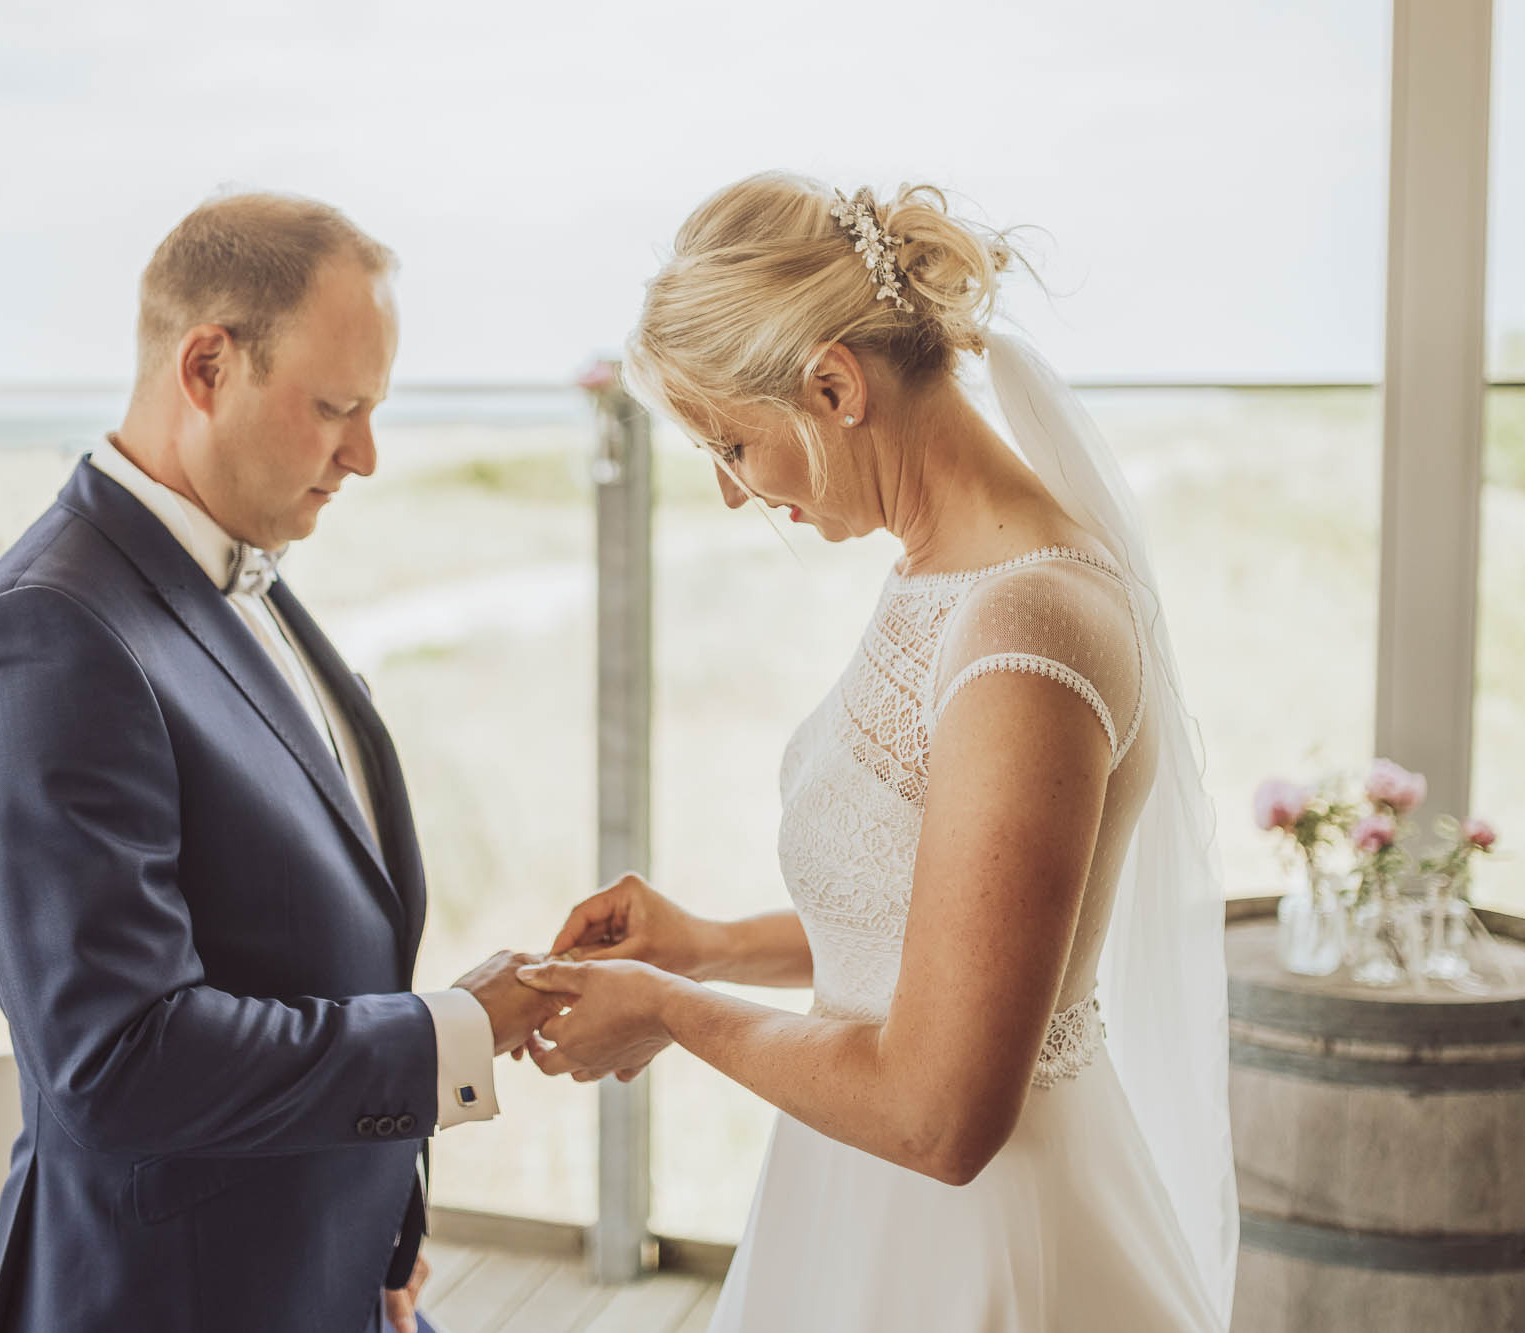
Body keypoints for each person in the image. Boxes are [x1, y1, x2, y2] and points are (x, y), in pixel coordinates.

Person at [516, 173, 1239, 1330]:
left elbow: (938, 1115)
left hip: (976, 1242)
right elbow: (942, 928)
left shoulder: (1023, 635)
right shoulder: (942, 577)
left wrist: (668, 1007)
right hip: (857, 1204)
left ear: (833, 386)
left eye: (733, 444)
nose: (728, 489)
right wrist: (703, 946)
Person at [0, 191, 558, 1333]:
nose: (363, 454)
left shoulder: (237, 563)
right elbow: (122, 1058)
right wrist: (456, 1030)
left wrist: (379, 1239)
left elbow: (304, 941)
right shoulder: (49, 637)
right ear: (207, 365)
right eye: (336, 408)